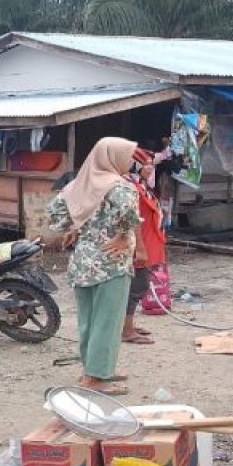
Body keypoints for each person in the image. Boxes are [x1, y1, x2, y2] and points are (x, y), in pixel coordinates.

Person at [46, 137, 141, 396]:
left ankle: (93, 369)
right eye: (128, 155)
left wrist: (74, 227)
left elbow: (54, 213)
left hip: (83, 262)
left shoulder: (78, 184)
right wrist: (123, 235)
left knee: (88, 321)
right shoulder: (119, 186)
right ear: (113, 157)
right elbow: (129, 213)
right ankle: (97, 379)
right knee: (107, 322)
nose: (130, 161)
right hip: (111, 263)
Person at [124, 149, 166, 344]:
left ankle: (127, 325)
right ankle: (126, 330)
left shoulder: (140, 185)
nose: (149, 168)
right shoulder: (130, 187)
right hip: (138, 243)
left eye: (151, 163)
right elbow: (133, 221)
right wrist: (139, 248)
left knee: (136, 285)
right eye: (144, 164)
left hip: (147, 241)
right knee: (137, 286)